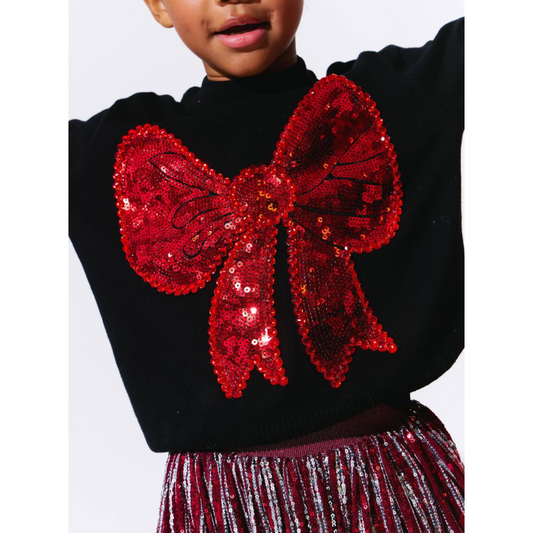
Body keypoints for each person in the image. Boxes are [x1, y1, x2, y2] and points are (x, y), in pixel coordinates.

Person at [69, 1, 464, 531]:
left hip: (392, 488)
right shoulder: (113, 155)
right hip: (224, 507)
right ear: (158, 5)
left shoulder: (381, 102)